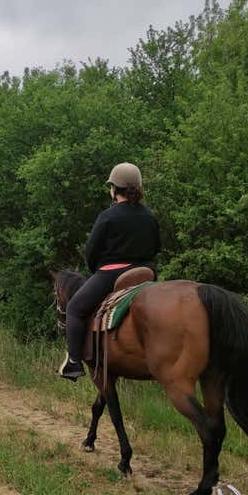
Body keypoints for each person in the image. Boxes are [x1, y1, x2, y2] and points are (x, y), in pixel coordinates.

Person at [58, 162, 161, 380]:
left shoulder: (107, 216)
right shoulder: (149, 215)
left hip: (112, 275)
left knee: (74, 307)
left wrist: (96, 270)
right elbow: (156, 247)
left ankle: (74, 362)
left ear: (114, 189)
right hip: (146, 274)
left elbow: (91, 251)